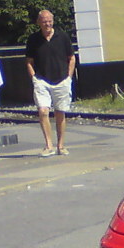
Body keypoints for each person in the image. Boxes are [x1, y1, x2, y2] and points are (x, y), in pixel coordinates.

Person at [24, 9, 76, 156]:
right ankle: (48, 145)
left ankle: (61, 145)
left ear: (53, 21)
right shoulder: (33, 39)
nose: (47, 24)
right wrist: (34, 78)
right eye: (44, 21)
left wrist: (69, 77)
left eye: (49, 21)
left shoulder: (63, 37)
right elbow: (29, 61)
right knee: (43, 111)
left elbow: (71, 57)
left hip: (62, 80)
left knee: (60, 112)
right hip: (42, 80)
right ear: (39, 22)